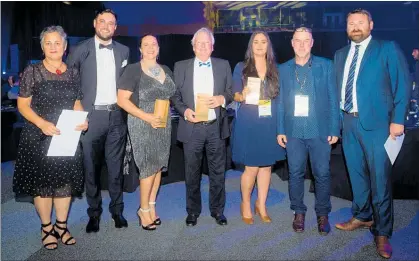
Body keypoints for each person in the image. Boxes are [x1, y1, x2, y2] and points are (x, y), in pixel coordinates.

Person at [334, 9, 410, 259]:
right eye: (351, 23)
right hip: (348, 123)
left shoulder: (387, 48)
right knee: (356, 176)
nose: (355, 27)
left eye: (360, 22)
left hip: (379, 127)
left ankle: (382, 232)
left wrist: (398, 120)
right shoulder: (340, 54)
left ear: (371, 25)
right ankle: (362, 216)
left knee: (380, 181)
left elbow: (402, 83)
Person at [12, 25, 88, 250]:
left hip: (66, 138)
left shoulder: (73, 72)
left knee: (65, 184)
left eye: (58, 43)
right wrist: (42, 123)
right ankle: (47, 228)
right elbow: (23, 105)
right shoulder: (32, 72)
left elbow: (76, 101)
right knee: (43, 186)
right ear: (42, 46)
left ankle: (61, 226)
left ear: (65, 47)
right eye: (48, 43)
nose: (53, 47)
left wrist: (82, 119)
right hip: (39, 137)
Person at [66, 8, 130, 233]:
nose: (106, 26)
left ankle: (117, 211)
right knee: (90, 169)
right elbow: (69, 82)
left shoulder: (124, 51)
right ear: (95, 23)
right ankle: (94, 214)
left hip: (116, 117)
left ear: (115, 27)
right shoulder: (80, 49)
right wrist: (77, 109)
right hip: (90, 117)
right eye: (102, 21)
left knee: (115, 169)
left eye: (111, 23)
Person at [276, 27, 339, 235]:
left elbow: (333, 99)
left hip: (320, 130)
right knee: (295, 173)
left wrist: (334, 128)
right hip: (293, 132)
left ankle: (322, 214)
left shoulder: (326, 66)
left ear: (312, 42)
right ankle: (298, 212)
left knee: (321, 173)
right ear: (292, 43)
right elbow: (280, 103)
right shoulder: (283, 69)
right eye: (298, 41)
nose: (302, 45)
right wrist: (280, 129)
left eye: (306, 41)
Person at [171, 27, 233, 226]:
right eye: (199, 43)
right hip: (192, 127)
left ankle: (217, 210)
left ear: (212, 47)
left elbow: (231, 92)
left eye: (207, 43)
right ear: (193, 46)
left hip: (216, 127)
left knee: (217, 172)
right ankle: (193, 211)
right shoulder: (180, 66)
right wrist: (185, 111)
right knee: (192, 172)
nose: (203, 46)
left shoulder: (224, 65)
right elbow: (174, 96)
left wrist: (222, 98)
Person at [117, 34, 176, 231]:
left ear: (158, 48)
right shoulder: (132, 70)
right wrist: (146, 117)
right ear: (140, 49)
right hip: (142, 122)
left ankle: (151, 206)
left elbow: (173, 96)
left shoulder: (165, 69)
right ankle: (143, 210)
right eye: (146, 44)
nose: (150, 47)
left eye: (154, 44)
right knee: (147, 166)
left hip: (163, 123)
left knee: (158, 165)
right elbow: (122, 100)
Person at [231, 31, 286, 225]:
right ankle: (245, 203)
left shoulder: (276, 69)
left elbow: (279, 99)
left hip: (269, 122)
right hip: (248, 122)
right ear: (251, 45)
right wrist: (241, 95)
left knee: (266, 167)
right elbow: (234, 95)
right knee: (251, 167)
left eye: (264, 42)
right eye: (256, 42)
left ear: (268, 45)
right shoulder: (241, 67)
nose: (260, 45)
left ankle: (261, 204)